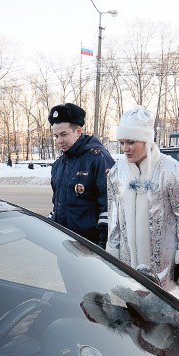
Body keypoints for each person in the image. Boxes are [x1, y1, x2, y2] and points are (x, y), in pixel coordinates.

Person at [106, 106, 179, 295]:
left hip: (164, 271)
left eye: (130, 142)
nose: (125, 148)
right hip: (128, 268)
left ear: (146, 140)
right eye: (121, 142)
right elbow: (114, 219)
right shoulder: (117, 173)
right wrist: (112, 254)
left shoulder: (171, 171)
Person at [49, 103, 115, 248]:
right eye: (56, 136)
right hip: (64, 244)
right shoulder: (58, 165)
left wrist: (103, 246)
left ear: (78, 131)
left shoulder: (98, 158)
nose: (59, 141)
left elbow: (110, 206)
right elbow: (57, 205)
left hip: (90, 247)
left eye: (64, 134)